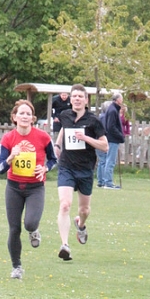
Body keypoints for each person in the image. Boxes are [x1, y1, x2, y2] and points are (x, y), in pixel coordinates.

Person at [0, 99, 57, 279]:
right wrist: (10, 158)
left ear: (33, 118)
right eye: (21, 113)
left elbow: (54, 159)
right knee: (14, 229)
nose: (25, 116)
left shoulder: (43, 137)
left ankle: (33, 230)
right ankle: (17, 267)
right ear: (14, 117)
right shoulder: (8, 139)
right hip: (14, 187)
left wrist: (45, 168)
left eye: (28, 114)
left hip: (35, 188)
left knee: (30, 223)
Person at [55, 84, 108, 261]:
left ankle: (81, 224)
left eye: (80, 96)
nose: (77, 99)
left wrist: (85, 138)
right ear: (70, 99)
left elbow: (105, 146)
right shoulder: (65, 115)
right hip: (66, 167)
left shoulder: (93, 121)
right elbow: (64, 129)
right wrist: (57, 144)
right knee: (65, 204)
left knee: (84, 209)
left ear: (86, 100)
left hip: (85, 169)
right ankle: (65, 245)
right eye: (74, 96)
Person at [102, 92, 125, 189]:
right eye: (121, 98)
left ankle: (106, 181)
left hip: (112, 138)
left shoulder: (113, 109)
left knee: (109, 160)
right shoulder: (113, 110)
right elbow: (111, 126)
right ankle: (108, 182)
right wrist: (120, 135)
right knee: (110, 161)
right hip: (112, 139)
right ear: (118, 100)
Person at [96, 100, 111, 187]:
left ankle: (100, 180)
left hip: (98, 140)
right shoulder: (105, 117)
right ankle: (102, 180)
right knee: (104, 161)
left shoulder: (101, 116)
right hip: (101, 140)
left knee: (101, 161)